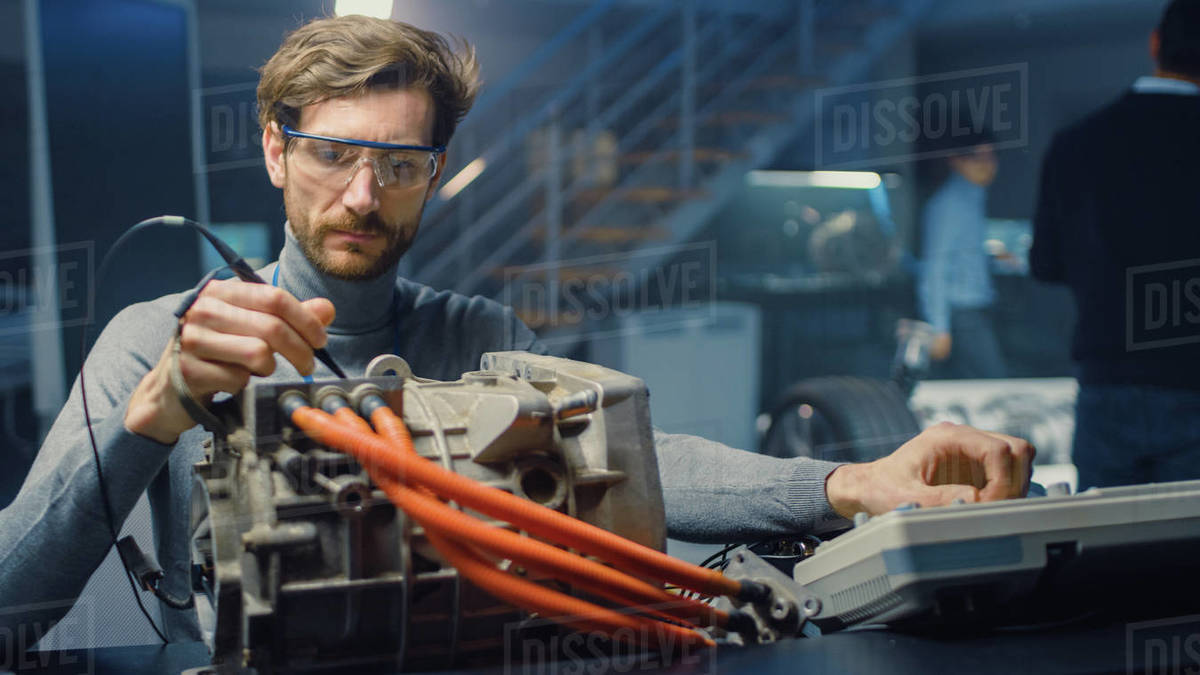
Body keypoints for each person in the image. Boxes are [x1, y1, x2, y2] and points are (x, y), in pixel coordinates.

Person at [0, 15, 1034, 651]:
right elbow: (13, 606)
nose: (365, 195)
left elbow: (636, 461)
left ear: (437, 174)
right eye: (330, 155)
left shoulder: (476, 335)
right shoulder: (161, 341)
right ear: (273, 150)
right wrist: (147, 421)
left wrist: (843, 485)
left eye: (402, 164)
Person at [1031, 0, 1200, 489]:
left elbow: (1045, 264)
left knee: (1107, 553)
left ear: (1154, 43)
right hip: (1194, 385)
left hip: (1108, 384)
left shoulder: (1075, 143)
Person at [918, 141, 1008, 379]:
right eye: (978, 157)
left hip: (975, 309)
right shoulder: (950, 204)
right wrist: (940, 328)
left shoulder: (972, 198)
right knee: (993, 381)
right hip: (961, 312)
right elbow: (935, 268)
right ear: (956, 160)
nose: (988, 165)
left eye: (991, 156)